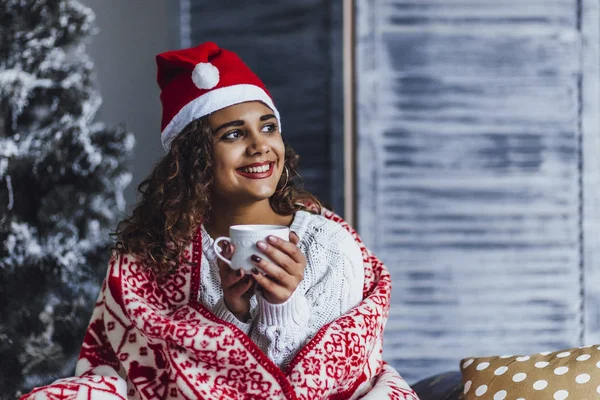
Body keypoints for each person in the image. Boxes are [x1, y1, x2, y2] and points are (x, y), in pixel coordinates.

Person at [21, 42, 419, 400]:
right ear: (194, 158)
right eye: (233, 135)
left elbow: (322, 385)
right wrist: (232, 310)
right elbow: (134, 374)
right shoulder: (151, 253)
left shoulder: (328, 245)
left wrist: (283, 305)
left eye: (268, 127)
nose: (260, 145)